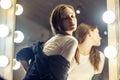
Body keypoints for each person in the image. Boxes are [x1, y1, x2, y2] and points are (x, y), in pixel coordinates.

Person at [23, 4, 78, 80]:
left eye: (72, 16)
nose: (71, 20)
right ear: (57, 22)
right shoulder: (71, 41)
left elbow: (22, 54)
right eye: (65, 18)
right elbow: (60, 75)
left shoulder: (51, 40)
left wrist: (30, 73)